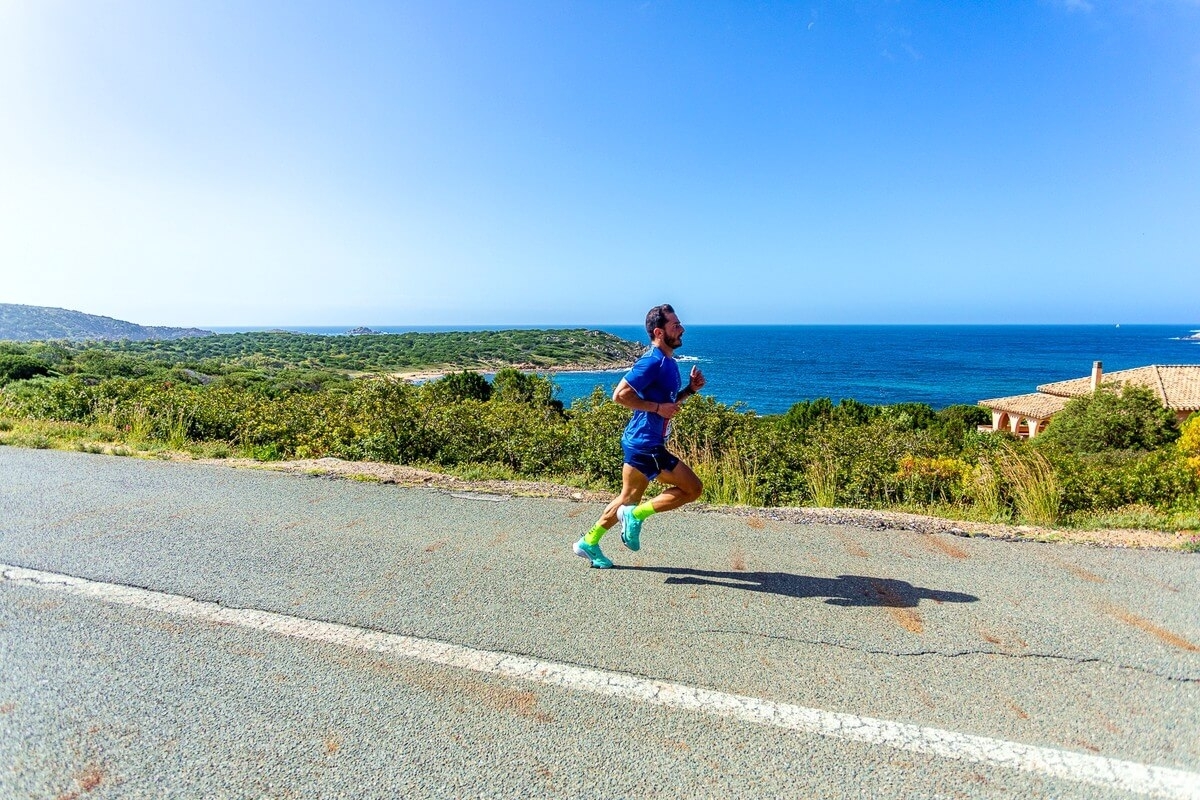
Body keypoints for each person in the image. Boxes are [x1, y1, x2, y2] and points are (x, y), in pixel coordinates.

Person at [573, 304, 706, 568]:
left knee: (627, 497)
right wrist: (657, 408)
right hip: (646, 444)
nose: (682, 329)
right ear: (659, 331)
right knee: (692, 488)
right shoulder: (652, 361)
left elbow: (666, 403)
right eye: (675, 325)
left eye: (679, 324)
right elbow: (620, 395)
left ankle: (589, 542)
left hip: (639, 441)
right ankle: (636, 515)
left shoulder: (668, 362)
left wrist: (689, 390)